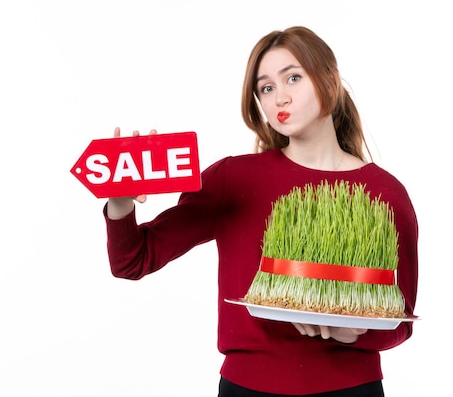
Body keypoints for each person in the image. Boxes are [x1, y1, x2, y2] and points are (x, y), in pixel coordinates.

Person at [102, 26, 418, 396]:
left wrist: (357, 332)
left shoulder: (385, 193)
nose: (279, 98)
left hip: (352, 388)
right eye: (266, 88)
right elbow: (132, 260)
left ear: (330, 81)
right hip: (247, 388)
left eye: (293, 78)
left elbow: (402, 320)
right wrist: (120, 201)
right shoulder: (233, 179)